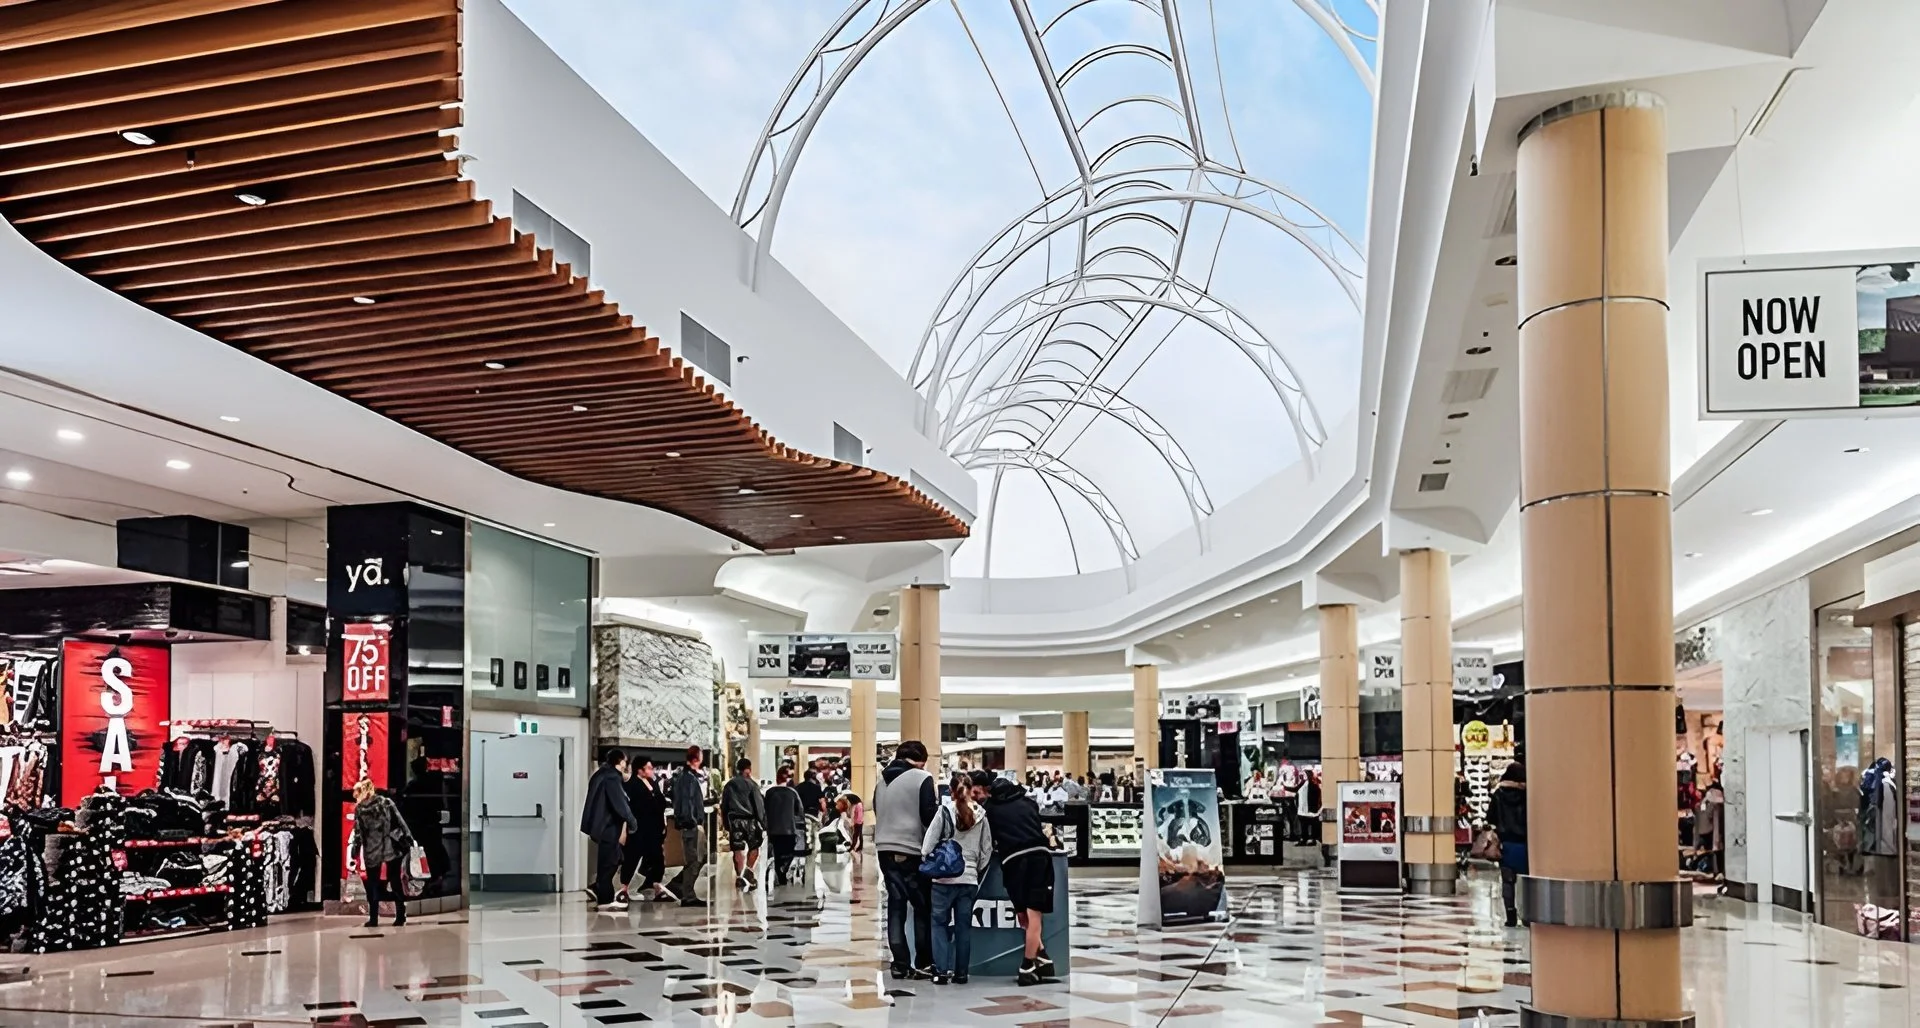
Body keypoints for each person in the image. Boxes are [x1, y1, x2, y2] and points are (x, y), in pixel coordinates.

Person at [974, 768, 1056, 986]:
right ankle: (1033, 962)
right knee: (1035, 915)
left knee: (1023, 915)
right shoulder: (1028, 803)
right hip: (1039, 857)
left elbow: (988, 841)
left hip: (1012, 862)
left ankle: (1033, 961)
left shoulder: (989, 809)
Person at [874, 739, 937, 979]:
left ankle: (899, 963)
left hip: (884, 848)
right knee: (922, 908)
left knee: (896, 905)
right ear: (921, 760)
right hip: (911, 849)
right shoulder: (921, 778)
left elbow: (879, 812)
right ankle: (923, 961)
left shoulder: (881, 782)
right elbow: (929, 816)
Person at [923, 772, 993, 985]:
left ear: (951, 792)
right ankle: (961, 973)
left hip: (943, 880)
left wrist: (933, 861)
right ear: (972, 790)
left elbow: (927, 846)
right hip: (969, 880)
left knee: (939, 924)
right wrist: (974, 869)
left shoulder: (943, 812)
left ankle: (941, 972)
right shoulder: (982, 815)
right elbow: (986, 850)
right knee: (963, 927)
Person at [581, 748, 641, 912]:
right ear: (620, 761)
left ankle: (601, 892)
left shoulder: (600, 774)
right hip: (608, 826)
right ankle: (605, 899)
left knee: (611, 859)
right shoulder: (612, 777)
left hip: (598, 826)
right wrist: (632, 821)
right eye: (625, 762)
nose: (625, 765)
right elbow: (620, 804)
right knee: (609, 862)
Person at [351, 778, 413, 928]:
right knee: (395, 882)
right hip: (390, 847)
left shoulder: (360, 809)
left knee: (373, 885)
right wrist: (409, 838)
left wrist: (355, 850)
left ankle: (373, 919)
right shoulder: (386, 803)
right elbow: (400, 822)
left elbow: (359, 834)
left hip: (372, 851)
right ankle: (400, 916)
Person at [619, 756, 673, 903]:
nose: (652, 771)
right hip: (639, 828)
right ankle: (624, 888)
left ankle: (657, 887)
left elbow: (660, 803)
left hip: (655, 828)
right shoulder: (631, 785)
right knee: (633, 856)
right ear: (640, 770)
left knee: (656, 858)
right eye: (648, 768)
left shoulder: (653, 784)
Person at [666, 746, 710, 907]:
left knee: (699, 858)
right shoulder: (687, 779)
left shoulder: (686, 777)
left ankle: (680, 886)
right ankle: (686, 893)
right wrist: (692, 821)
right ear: (697, 758)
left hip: (691, 824)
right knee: (694, 859)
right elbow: (686, 804)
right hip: (690, 826)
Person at [399, 756, 449, 891]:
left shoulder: (415, 785)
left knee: (426, 849)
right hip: (430, 820)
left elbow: (405, 802)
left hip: (421, 822)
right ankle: (437, 874)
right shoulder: (433, 782)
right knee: (434, 848)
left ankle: (429, 875)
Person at [1490, 762, 1528, 927]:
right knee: (1527, 881)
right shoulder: (1527, 795)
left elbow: (1490, 818)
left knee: (1507, 881)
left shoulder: (1498, 794)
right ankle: (1528, 915)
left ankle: (1510, 916)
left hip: (1506, 844)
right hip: (1526, 844)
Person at [722, 757, 767, 890]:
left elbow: (724, 805)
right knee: (754, 846)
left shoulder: (729, 785)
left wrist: (726, 822)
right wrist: (763, 823)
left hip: (734, 820)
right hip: (750, 820)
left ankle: (739, 876)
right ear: (748, 769)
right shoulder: (752, 784)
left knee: (737, 849)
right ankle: (748, 871)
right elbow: (759, 805)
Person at [765, 767, 806, 886]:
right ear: (788, 780)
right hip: (789, 828)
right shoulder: (792, 793)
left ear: (777, 777)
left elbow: (764, 810)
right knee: (789, 852)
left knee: (777, 852)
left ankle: (779, 871)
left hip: (773, 829)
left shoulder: (769, 793)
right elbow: (800, 811)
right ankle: (784, 869)